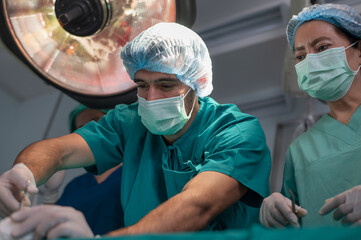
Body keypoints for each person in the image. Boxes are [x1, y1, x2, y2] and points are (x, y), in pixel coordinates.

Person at [0, 22, 271, 239]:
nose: (150, 98)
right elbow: (57, 151)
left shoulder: (237, 132)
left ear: (196, 84)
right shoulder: (129, 123)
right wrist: (23, 172)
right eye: (142, 86)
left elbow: (198, 205)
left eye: (165, 86)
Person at [259, 3, 361, 228]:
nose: (310, 62)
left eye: (322, 48)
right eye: (300, 56)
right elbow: (296, 221)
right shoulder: (300, 150)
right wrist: (278, 210)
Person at [55, 105, 124, 235]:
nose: (88, 132)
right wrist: (50, 196)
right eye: (80, 129)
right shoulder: (75, 185)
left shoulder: (134, 175)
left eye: (95, 121)